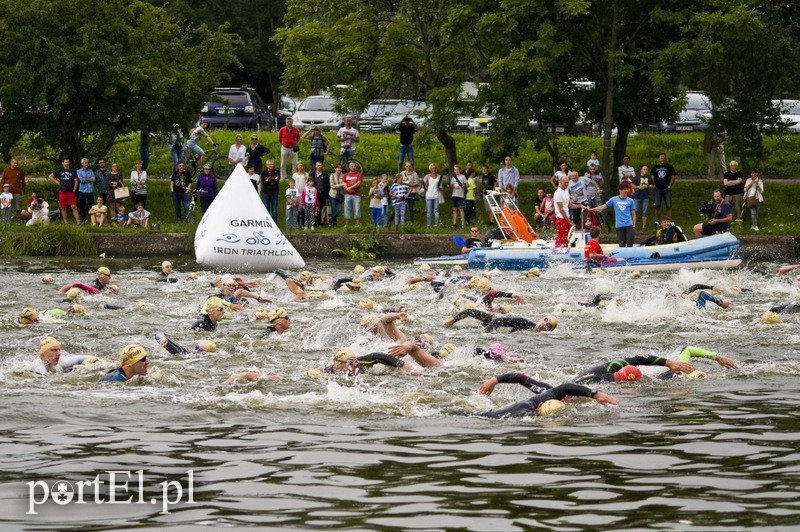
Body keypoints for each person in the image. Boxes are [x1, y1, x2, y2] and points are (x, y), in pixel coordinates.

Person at [477, 380, 618, 419]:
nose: (567, 398)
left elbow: (566, 388)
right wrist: (595, 394)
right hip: (485, 416)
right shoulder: (528, 410)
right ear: (540, 404)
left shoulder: (534, 405)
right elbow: (566, 387)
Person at [31, 336, 96, 376]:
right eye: (54, 350)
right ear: (43, 353)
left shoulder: (60, 361)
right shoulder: (39, 368)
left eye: (59, 350)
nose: (58, 353)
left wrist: (102, 359)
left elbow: (78, 359)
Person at [48, 158, 80, 224]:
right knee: (63, 207)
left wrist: (74, 190)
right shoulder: (60, 170)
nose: (66, 163)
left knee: (74, 207)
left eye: (68, 162)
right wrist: (57, 182)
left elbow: (76, 181)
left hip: (71, 191)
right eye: (65, 162)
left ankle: (78, 222)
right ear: (63, 163)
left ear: (69, 163)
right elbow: (50, 176)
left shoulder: (73, 171)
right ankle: (66, 222)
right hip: (62, 191)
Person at [652, 152, 676, 222]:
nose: (662, 159)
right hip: (657, 189)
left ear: (665, 159)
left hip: (666, 189)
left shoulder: (670, 167)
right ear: (659, 159)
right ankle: (657, 221)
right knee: (657, 206)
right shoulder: (655, 167)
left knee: (668, 206)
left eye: (664, 158)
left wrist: (670, 186)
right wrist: (654, 185)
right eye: (661, 158)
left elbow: (673, 177)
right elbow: (652, 177)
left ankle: (668, 222)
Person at [553, 175, 573, 248]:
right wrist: (569, 221)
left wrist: (580, 206)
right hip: (561, 219)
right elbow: (561, 209)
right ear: (560, 182)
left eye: (568, 182)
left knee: (566, 237)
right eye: (565, 182)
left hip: (566, 218)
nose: (567, 184)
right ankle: (558, 249)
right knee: (561, 237)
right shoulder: (558, 193)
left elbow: (570, 205)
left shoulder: (566, 191)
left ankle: (565, 248)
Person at [630, 165, 651, 232]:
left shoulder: (649, 178)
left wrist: (651, 186)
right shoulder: (637, 177)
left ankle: (644, 227)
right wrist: (638, 187)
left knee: (645, 212)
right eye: (644, 169)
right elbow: (632, 185)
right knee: (635, 212)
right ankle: (634, 226)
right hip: (637, 197)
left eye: (646, 169)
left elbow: (653, 185)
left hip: (645, 197)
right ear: (641, 170)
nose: (645, 170)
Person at [75, 158, 95, 223]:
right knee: (82, 206)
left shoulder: (90, 170)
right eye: (85, 162)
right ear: (82, 163)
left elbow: (94, 179)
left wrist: (86, 179)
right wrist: (89, 179)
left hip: (90, 191)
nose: (87, 164)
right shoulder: (79, 171)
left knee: (92, 205)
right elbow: (82, 180)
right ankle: (84, 219)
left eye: (87, 162)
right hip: (82, 191)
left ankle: (92, 220)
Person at [343, 161, 363, 226]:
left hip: (356, 194)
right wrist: (347, 188)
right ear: (349, 167)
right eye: (352, 166)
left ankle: (357, 225)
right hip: (347, 194)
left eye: (354, 166)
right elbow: (343, 183)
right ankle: (347, 225)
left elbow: (358, 183)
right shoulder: (346, 174)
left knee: (357, 209)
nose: (353, 167)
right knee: (347, 208)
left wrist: (350, 188)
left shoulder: (358, 174)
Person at [310, 161, 330, 226]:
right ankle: (314, 222)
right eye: (318, 165)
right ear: (315, 166)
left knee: (322, 208)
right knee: (314, 209)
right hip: (314, 194)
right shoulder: (312, 174)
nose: (319, 167)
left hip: (323, 194)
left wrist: (327, 195)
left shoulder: (325, 175)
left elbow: (328, 185)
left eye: (320, 165)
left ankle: (320, 222)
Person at [449, 164, 467, 229]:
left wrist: (463, 186)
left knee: (461, 209)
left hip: (460, 195)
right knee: (454, 209)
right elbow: (451, 186)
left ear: (460, 170)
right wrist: (451, 186)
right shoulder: (453, 178)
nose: (456, 171)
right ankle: (454, 223)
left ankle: (463, 224)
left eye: (457, 170)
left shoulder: (463, 177)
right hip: (454, 194)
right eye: (455, 170)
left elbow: (467, 185)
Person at [424, 163, 441, 228]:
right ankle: (428, 224)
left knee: (436, 211)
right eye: (432, 168)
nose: (433, 169)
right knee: (429, 211)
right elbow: (425, 186)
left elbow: (440, 186)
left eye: (435, 168)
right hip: (429, 195)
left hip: (436, 195)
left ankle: (436, 224)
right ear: (430, 169)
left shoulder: (439, 177)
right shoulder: (427, 176)